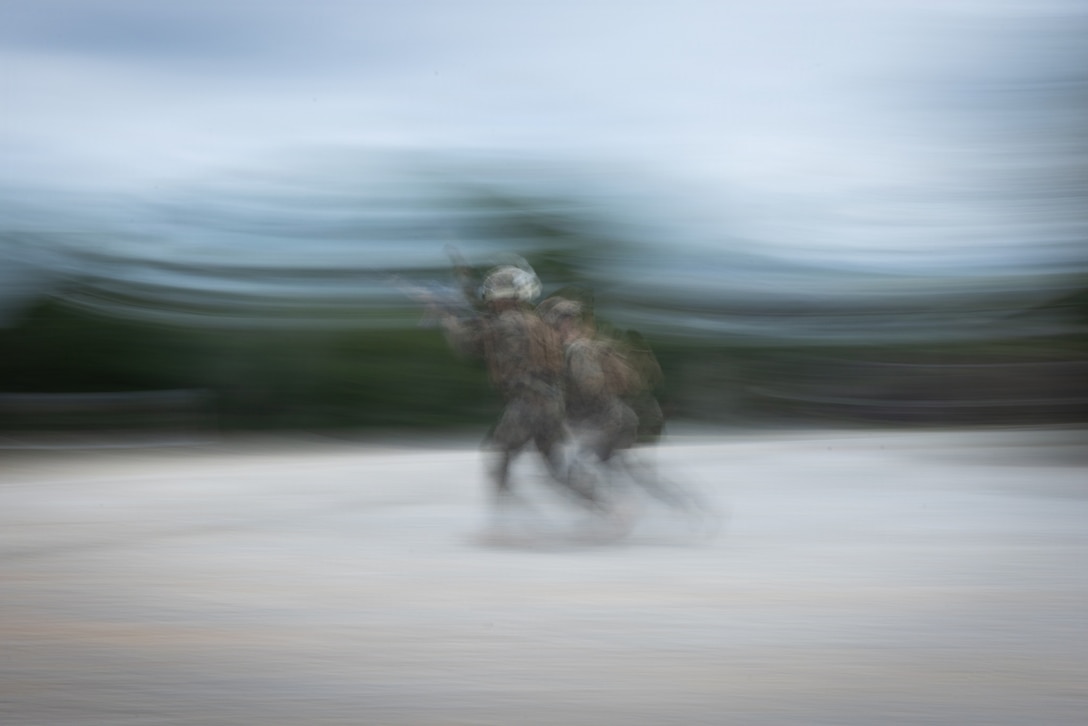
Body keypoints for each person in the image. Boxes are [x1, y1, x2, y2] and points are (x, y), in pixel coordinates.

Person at [433, 265, 605, 516]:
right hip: (551, 402)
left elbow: (467, 345)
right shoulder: (534, 322)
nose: (490, 300)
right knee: (554, 467)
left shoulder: (505, 323)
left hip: (528, 402)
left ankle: (506, 521)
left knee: (500, 455)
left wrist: (447, 316)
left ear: (501, 297)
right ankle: (606, 508)